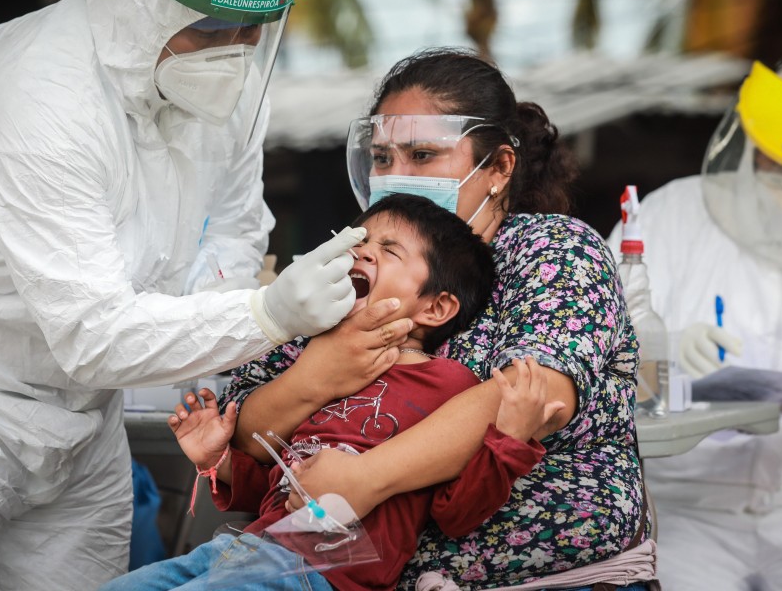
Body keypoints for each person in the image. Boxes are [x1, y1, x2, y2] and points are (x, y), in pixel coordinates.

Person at [0, 0, 365, 589]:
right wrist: (266, 317)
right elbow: (92, 333)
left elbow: (233, 225)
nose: (236, 50)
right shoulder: (38, 98)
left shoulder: (229, 78)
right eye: (213, 28)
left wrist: (220, 330)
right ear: (141, 7)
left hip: (80, 411)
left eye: (252, 28)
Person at [220, 48, 655, 590]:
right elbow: (238, 435)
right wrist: (317, 376)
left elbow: (536, 394)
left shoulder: (553, 250)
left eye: (422, 155)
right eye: (382, 158)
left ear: (497, 168)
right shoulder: (354, 263)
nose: (397, 176)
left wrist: (365, 480)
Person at [104, 193, 567, 590]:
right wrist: (218, 462)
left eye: (388, 249)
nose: (361, 255)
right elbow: (279, 483)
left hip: (323, 571)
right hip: (243, 550)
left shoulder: (450, 384)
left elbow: (455, 514)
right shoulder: (321, 363)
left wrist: (508, 439)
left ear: (436, 306)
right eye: (357, 243)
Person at [607, 44, 782, 590]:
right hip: (684, 510)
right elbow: (588, 360)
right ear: (748, 144)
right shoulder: (668, 217)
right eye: (776, 170)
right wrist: (653, 354)